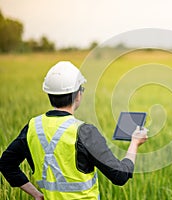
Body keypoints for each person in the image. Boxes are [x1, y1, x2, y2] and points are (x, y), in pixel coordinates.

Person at [0, 61, 148, 200]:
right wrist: (134, 143)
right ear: (78, 95)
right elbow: (120, 176)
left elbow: (6, 163)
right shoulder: (85, 132)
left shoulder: (33, 127)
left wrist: (36, 195)